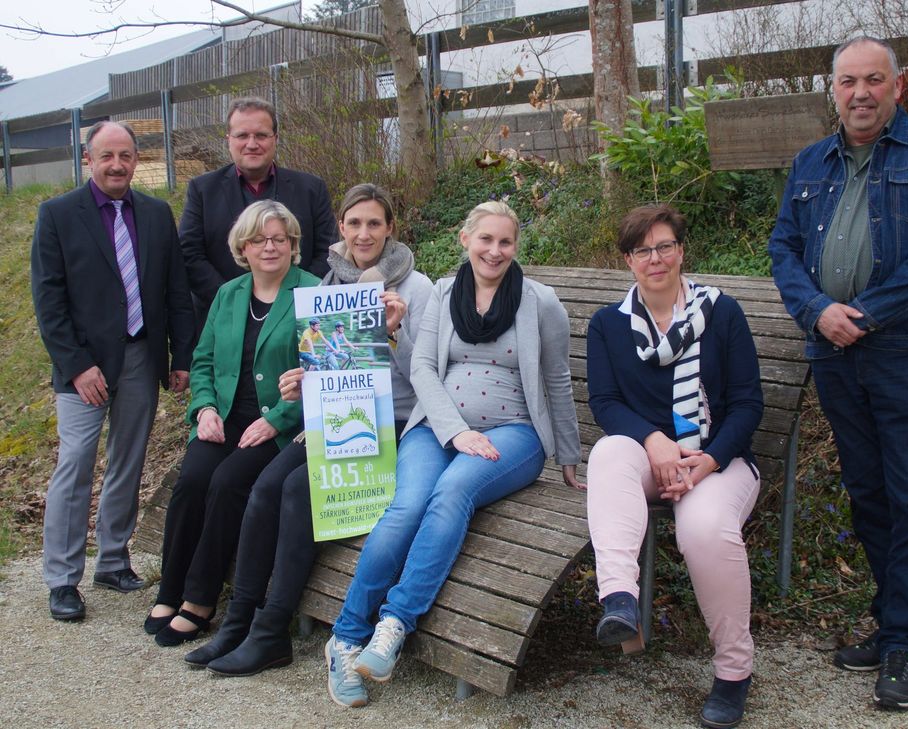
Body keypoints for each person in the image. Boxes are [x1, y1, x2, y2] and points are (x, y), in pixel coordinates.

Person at [768, 36, 908, 710]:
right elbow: (783, 247)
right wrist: (816, 310)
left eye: (873, 80)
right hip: (831, 351)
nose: (859, 92)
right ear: (833, 89)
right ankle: (891, 624)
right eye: (848, 81)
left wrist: (864, 312)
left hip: (902, 348)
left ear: (896, 85)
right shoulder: (809, 162)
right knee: (866, 491)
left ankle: (904, 644)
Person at [324, 200, 582, 708]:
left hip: (514, 435)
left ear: (515, 246)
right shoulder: (443, 294)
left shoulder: (540, 303)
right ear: (466, 240)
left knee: (453, 491)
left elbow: (557, 379)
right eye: (485, 239)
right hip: (437, 428)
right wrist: (455, 431)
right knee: (404, 509)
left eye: (505, 241)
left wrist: (570, 458)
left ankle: (394, 625)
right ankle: (346, 637)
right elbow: (421, 368)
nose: (495, 250)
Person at [182, 183, 432, 677]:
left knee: (300, 490)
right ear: (340, 228)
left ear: (389, 230)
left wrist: (395, 334)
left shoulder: (416, 288)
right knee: (265, 487)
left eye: (374, 223)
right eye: (354, 223)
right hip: (336, 416)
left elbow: (427, 372)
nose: (363, 233)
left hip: (395, 422)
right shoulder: (326, 287)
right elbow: (325, 366)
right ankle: (239, 623)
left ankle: (273, 629)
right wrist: (301, 381)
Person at [586, 204, 763, 729]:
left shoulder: (722, 313)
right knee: (609, 451)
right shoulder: (608, 325)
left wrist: (705, 462)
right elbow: (606, 404)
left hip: (720, 458)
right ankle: (619, 599)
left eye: (665, 246)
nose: (655, 258)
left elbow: (748, 404)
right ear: (628, 261)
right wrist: (656, 441)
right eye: (643, 250)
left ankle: (734, 672)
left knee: (704, 528)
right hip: (648, 456)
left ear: (681, 252)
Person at [31, 121, 195, 621]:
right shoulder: (58, 215)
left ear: (136, 157)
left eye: (126, 155)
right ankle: (62, 577)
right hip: (84, 365)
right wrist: (77, 366)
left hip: (141, 356)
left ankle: (113, 559)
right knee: (76, 463)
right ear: (89, 159)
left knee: (128, 458)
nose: (117, 164)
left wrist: (180, 357)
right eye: (107, 156)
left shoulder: (155, 213)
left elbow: (174, 289)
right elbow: (49, 300)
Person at [146, 200, 319, 646]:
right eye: (260, 239)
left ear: (293, 245)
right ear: (243, 245)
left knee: (226, 483)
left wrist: (277, 421)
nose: (270, 247)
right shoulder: (229, 294)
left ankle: (200, 600)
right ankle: (171, 587)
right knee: (192, 480)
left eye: (280, 238)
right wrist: (203, 409)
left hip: (276, 427)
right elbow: (202, 361)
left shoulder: (311, 294)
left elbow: (326, 378)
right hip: (223, 419)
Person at [179, 96, 335, 328]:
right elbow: (190, 254)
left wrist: (295, 300)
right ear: (229, 140)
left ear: (276, 139)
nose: (252, 143)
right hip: (224, 320)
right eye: (242, 135)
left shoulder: (311, 189)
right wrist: (233, 301)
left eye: (261, 135)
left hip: (296, 320)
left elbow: (327, 252)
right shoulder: (202, 191)